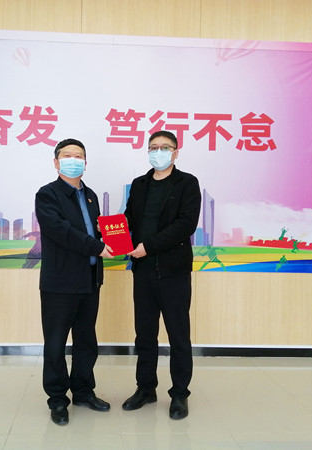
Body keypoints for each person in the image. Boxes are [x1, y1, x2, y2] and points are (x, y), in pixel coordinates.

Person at [122, 130, 201, 420]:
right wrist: (110, 230)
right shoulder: (140, 184)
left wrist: (149, 246)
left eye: (165, 147)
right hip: (142, 270)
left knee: (178, 334)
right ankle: (145, 388)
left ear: (176, 152)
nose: (159, 152)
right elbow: (130, 219)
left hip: (173, 270)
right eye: (154, 147)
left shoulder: (187, 183)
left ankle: (179, 394)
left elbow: (185, 225)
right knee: (144, 334)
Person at [35, 138, 114, 426]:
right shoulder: (47, 194)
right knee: (56, 343)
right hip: (60, 281)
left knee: (86, 340)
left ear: (85, 162)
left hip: (89, 280)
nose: (73, 160)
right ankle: (57, 399)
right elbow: (61, 231)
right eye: (67, 155)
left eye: (78, 156)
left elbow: (95, 231)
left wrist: (114, 236)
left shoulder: (90, 195)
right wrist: (96, 246)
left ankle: (83, 391)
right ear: (56, 162)